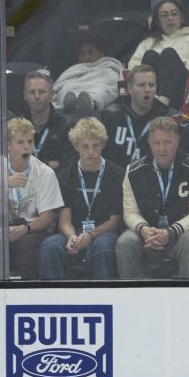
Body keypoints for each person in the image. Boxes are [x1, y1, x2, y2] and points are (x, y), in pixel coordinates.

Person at [116, 117, 189, 279]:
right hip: (146, 236)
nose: (162, 148)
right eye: (156, 143)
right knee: (125, 242)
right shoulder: (132, 171)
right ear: (149, 143)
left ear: (177, 141)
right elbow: (130, 212)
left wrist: (170, 232)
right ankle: (132, 297)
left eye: (168, 142)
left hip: (180, 236)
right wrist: (144, 229)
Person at [37, 118, 123, 280]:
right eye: (85, 146)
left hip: (103, 233)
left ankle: (102, 300)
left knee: (103, 247)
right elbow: (64, 219)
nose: (91, 151)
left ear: (103, 145)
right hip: (74, 231)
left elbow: (115, 221)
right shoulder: (65, 175)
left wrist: (91, 235)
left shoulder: (117, 174)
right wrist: (72, 237)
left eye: (95, 145)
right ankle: (52, 299)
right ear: (76, 146)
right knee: (50, 247)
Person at [0, 118, 65, 279]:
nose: (27, 147)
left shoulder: (45, 172)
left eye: (30, 141)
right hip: (2, 226)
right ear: (8, 145)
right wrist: (4, 186)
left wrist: (25, 229)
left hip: (32, 228)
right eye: (20, 142)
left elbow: (47, 218)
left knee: (26, 242)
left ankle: (24, 289)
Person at [128, 0, 189, 109]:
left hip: (183, 90)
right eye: (164, 15)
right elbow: (133, 67)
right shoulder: (149, 42)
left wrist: (178, 62)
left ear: (181, 17)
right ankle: (153, 100)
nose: (170, 18)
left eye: (174, 14)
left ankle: (163, 102)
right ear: (157, 21)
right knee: (150, 55)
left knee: (168, 54)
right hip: (151, 91)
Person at [102, 65, 173, 167]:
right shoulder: (112, 121)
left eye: (151, 85)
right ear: (130, 88)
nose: (147, 89)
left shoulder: (165, 124)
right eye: (141, 85)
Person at [53, 32, 125, 114]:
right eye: (83, 54)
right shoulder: (73, 70)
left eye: (90, 53)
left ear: (101, 54)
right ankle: (69, 104)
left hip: (93, 96)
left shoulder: (110, 68)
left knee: (101, 90)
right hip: (70, 96)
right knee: (66, 89)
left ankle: (91, 102)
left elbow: (111, 85)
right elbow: (58, 87)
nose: (86, 57)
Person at [20, 71, 73, 172]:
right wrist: (49, 164)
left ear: (52, 94)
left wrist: (30, 165)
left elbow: (68, 168)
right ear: (25, 95)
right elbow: (14, 164)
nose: (36, 96)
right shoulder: (16, 127)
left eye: (41, 91)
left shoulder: (68, 126)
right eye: (31, 92)